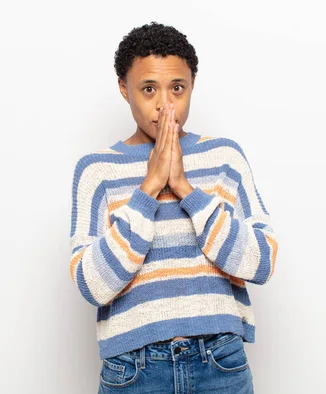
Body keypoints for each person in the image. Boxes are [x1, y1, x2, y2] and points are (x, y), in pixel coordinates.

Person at [69, 21, 278, 393]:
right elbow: (93, 285)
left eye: (177, 89)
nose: (165, 105)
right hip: (134, 370)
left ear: (192, 87)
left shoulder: (224, 156)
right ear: (124, 89)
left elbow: (261, 262)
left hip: (220, 363)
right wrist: (148, 188)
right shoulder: (96, 170)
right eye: (148, 89)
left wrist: (184, 187)